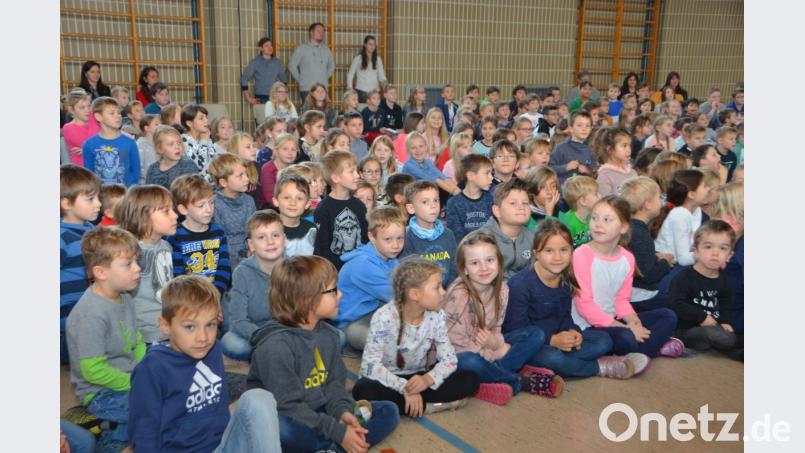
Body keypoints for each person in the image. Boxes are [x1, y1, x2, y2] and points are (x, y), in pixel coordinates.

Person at [248, 255, 401, 452]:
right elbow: (288, 406)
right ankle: (338, 445)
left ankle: (334, 447)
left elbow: (334, 386)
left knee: (388, 411)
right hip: (289, 415)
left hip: (321, 411)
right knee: (284, 429)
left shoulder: (329, 335)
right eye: (333, 290)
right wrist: (337, 431)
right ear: (307, 299)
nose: (340, 295)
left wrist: (342, 412)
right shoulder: (275, 346)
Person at [129, 275, 282, 452]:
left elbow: (221, 415)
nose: (203, 337)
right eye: (190, 327)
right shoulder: (151, 369)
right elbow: (144, 433)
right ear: (165, 325)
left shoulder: (214, 349)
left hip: (220, 447)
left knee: (259, 398)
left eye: (210, 325)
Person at [504, 220, 637, 379]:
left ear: (572, 251)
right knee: (552, 358)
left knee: (603, 341)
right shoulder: (520, 284)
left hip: (560, 339)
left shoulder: (566, 280)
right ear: (536, 253)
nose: (557, 257)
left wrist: (574, 332)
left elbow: (565, 316)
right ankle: (597, 367)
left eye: (564, 250)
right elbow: (515, 329)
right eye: (549, 251)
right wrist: (551, 340)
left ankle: (557, 366)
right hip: (531, 345)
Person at [444, 231, 564, 405]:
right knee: (470, 361)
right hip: (459, 354)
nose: (484, 268)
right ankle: (518, 381)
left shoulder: (502, 290)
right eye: (475, 263)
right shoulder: (459, 295)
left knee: (535, 334)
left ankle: (493, 375)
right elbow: (454, 345)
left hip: (487, 346)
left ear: (499, 262)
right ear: (464, 269)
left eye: (490, 260)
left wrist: (496, 342)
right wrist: (494, 352)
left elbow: (497, 328)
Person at [352, 256, 480, 416]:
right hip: (388, 379)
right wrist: (403, 388)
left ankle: (408, 405)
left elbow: (449, 360)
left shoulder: (437, 316)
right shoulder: (384, 317)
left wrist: (427, 379)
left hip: (418, 378)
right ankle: (429, 407)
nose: (443, 292)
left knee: (470, 379)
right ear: (414, 294)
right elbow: (369, 365)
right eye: (437, 287)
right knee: (363, 390)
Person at [571, 196, 682, 361]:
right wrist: (627, 329)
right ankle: (644, 350)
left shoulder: (627, 258)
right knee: (625, 337)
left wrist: (634, 322)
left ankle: (636, 354)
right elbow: (584, 305)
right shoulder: (581, 254)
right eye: (594, 218)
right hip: (586, 325)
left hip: (613, 320)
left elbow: (621, 300)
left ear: (623, 227)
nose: (598, 224)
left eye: (607, 220)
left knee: (668, 316)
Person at [66, 226, 145, 450]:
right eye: (128, 264)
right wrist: (135, 382)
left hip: (128, 377)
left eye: (136, 261)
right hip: (100, 392)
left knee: (169, 393)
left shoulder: (125, 296)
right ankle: (103, 431)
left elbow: (137, 340)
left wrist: (143, 370)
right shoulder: (90, 314)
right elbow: (93, 370)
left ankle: (110, 426)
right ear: (101, 272)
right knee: (152, 411)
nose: (137, 268)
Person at [336, 206, 406, 352]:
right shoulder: (363, 265)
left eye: (400, 238)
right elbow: (399, 296)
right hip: (352, 323)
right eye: (388, 239)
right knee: (385, 343)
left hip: (375, 312)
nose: (395, 245)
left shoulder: (390, 258)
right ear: (372, 237)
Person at [221, 210, 286, 361]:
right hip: (255, 331)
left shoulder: (295, 268)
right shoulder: (242, 272)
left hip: (287, 330)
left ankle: (276, 351)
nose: (270, 241)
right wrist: (263, 336)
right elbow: (238, 320)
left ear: (284, 238)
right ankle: (272, 352)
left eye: (275, 235)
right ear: (251, 244)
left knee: (336, 337)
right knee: (233, 344)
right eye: (261, 237)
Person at [668, 220, 737, 356]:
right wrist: (702, 317)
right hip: (685, 329)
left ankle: (710, 346)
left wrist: (725, 322)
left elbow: (727, 304)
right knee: (720, 337)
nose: (715, 253)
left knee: (730, 336)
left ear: (729, 256)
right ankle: (680, 343)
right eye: (708, 247)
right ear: (696, 251)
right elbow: (675, 303)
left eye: (723, 248)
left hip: (713, 328)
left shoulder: (726, 280)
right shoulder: (685, 277)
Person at [60, 164, 102, 363]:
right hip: (66, 325)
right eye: (90, 199)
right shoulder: (61, 237)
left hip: (90, 317)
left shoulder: (92, 231)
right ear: (66, 203)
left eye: (98, 197)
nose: (99, 204)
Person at [167, 174, 232, 297]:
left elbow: (224, 267)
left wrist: (215, 294)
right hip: (190, 298)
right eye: (201, 205)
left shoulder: (219, 232)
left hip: (217, 294)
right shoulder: (175, 237)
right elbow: (178, 276)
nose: (209, 209)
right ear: (183, 209)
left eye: (211, 202)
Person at [314, 150, 369, 269]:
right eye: (351, 172)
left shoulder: (359, 205)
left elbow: (365, 238)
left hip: (359, 267)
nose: (357, 175)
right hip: (334, 271)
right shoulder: (323, 209)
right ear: (336, 178)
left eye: (356, 171)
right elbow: (322, 247)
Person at [400, 180, 458, 287]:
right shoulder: (406, 237)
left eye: (436, 200)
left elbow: (454, 267)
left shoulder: (448, 234)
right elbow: (408, 275)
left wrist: (448, 290)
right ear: (411, 208)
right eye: (425, 202)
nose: (433, 206)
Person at [480, 178, 535, 279]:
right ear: (497, 211)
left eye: (525, 203)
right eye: (513, 203)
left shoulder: (533, 238)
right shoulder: (482, 239)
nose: (521, 207)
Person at [209, 154, 257, 271]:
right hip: (225, 258)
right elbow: (218, 241)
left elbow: (254, 231)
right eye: (240, 176)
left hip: (250, 252)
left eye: (246, 174)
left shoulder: (249, 201)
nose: (247, 179)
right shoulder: (214, 204)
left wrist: (253, 249)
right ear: (223, 182)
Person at [652, 168, 708, 266]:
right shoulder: (680, 215)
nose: (708, 189)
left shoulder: (691, 212)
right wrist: (707, 254)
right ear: (691, 195)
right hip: (668, 268)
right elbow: (683, 259)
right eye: (704, 186)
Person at [83, 97, 140, 187]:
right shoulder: (89, 144)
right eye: (112, 113)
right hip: (101, 193)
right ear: (98, 117)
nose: (118, 116)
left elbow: (136, 172)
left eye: (119, 113)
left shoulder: (130, 142)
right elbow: (89, 174)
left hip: (125, 193)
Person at [445, 154, 494, 243]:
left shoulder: (491, 199)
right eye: (487, 173)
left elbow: (495, 232)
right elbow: (456, 237)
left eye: (492, 173)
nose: (491, 177)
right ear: (470, 176)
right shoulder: (454, 203)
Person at [273, 173, 317, 257]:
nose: (293, 203)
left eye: (299, 198)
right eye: (286, 197)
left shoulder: (312, 229)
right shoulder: (269, 230)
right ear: (276, 201)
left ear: (307, 204)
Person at [548, 110, 596, 187]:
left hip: (585, 189)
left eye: (587, 126)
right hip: (565, 190)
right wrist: (566, 167)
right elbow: (549, 169)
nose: (584, 129)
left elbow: (595, 173)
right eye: (580, 125)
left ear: (591, 129)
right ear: (571, 128)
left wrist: (587, 171)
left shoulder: (591, 149)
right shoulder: (561, 148)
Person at [289, 22, 336, 100]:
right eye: (318, 31)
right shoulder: (301, 48)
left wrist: (324, 76)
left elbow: (332, 66)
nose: (321, 33)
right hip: (307, 89)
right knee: (309, 108)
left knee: (324, 108)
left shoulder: (326, 50)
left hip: (323, 88)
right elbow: (292, 65)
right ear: (311, 32)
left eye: (323, 31)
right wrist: (301, 79)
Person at [145, 125, 199, 189]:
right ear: (160, 149)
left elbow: (188, 192)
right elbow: (149, 193)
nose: (177, 147)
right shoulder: (152, 169)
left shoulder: (188, 165)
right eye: (171, 144)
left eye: (179, 143)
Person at [241, 37, 288, 105]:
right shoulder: (255, 62)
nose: (270, 48)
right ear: (261, 48)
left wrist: (282, 96)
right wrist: (248, 98)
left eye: (271, 45)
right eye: (267, 46)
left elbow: (284, 81)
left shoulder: (278, 63)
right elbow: (244, 78)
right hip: (260, 98)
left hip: (275, 98)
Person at [558, 175, 600, 248]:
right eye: (596, 194)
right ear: (583, 201)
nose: (600, 196)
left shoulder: (595, 216)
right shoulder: (567, 223)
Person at [260, 133, 298, 209]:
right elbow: (271, 198)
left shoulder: (295, 169)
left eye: (293, 149)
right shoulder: (267, 169)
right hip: (270, 208)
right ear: (276, 151)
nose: (290, 153)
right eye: (285, 149)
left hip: (291, 204)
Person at [596, 127, 638, 196]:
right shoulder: (605, 176)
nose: (629, 150)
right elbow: (606, 201)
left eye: (629, 145)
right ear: (609, 148)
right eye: (624, 145)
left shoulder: (632, 172)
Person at [62, 89, 99, 166]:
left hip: (101, 161)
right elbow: (92, 143)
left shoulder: (95, 117)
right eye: (82, 107)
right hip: (82, 166)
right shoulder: (68, 128)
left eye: (89, 106)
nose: (87, 110)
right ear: (71, 109)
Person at [347, 35, 387, 102]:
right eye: (370, 44)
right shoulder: (358, 58)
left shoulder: (378, 59)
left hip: (375, 92)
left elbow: (382, 76)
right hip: (361, 92)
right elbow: (350, 75)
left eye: (374, 44)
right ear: (365, 45)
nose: (372, 46)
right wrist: (350, 90)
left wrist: (385, 85)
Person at [136, 114, 161, 183]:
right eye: (157, 124)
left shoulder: (159, 143)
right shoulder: (140, 144)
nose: (160, 126)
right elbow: (139, 167)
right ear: (147, 128)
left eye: (160, 124)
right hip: (146, 183)